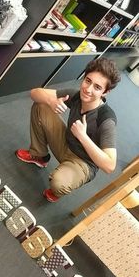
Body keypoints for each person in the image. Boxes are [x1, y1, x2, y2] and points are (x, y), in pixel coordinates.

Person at [15, 57, 121, 202]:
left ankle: (56, 192)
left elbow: (109, 166)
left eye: (97, 87)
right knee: (42, 105)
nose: (88, 89)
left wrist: (83, 137)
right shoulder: (76, 95)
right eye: (88, 81)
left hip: (83, 163)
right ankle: (39, 155)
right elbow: (34, 93)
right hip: (65, 142)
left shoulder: (106, 119)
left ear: (105, 92)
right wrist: (51, 101)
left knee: (58, 183)